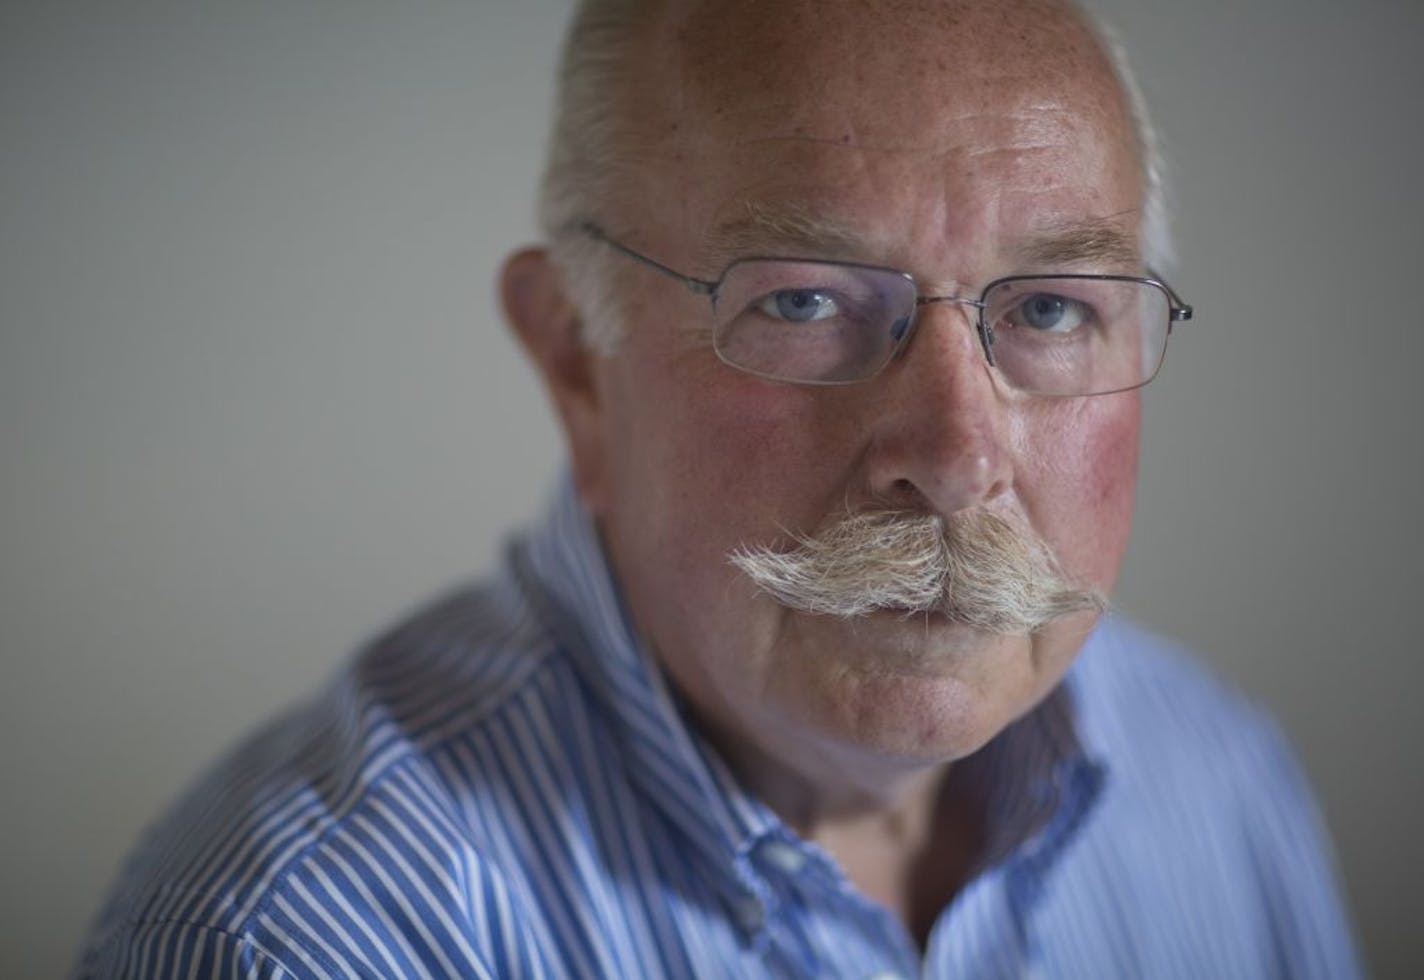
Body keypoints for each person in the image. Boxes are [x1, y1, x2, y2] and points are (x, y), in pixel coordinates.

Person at [74, 0, 1361, 976]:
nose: (959, 451)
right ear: (577, 359)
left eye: (1048, 308)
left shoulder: (1220, 779)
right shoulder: (311, 935)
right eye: (802, 300)